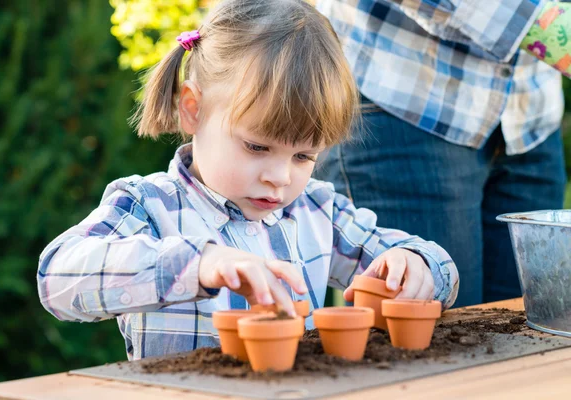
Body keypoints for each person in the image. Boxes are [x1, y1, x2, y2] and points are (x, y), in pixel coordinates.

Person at [37, 0, 459, 361]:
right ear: (192, 110)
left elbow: (428, 264)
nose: (279, 178)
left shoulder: (317, 210)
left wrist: (418, 266)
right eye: (257, 147)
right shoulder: (149, 205)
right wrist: (201, 263)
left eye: (304, 155)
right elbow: (57, 278)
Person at [314, 0, 568, 307]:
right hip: (408, 100)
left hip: (530, 113)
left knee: (530, 333)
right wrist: (538, 22)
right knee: (432, 338)